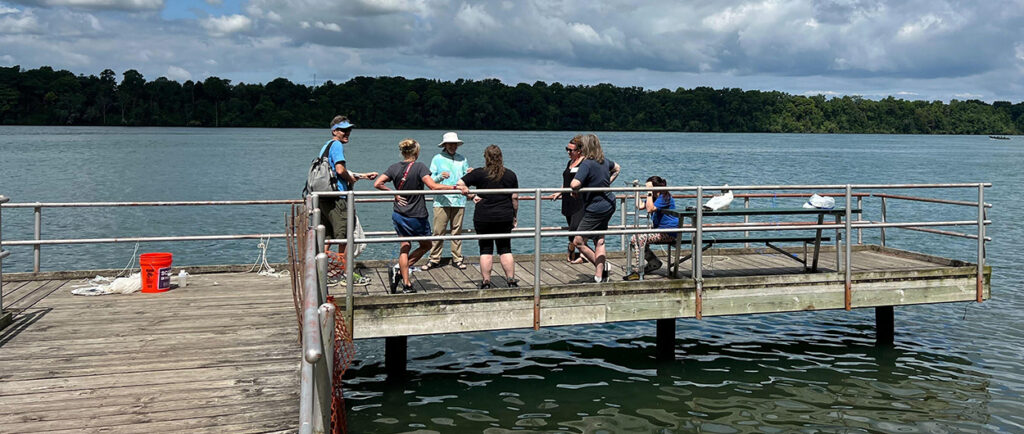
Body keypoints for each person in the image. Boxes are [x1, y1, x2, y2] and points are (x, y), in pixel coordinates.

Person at [374, 139, 461, 294]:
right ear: (416, 152)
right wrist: (455, 187)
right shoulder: (420, 167)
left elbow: (378, 183)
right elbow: (433, 186)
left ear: (402, 152)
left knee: (405, 246)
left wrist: (393, 193)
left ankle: (406, 282)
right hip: (417, 214)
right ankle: (402, 271)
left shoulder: (394, 167)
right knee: (426, 245)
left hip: (399, 213)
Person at [317, 115, 377, 282]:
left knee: (327, 236)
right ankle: (343, 273)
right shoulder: (336, 145)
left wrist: (362, 176)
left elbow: (334, 172)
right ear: (334, 131)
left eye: (349, 129)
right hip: (338, 198)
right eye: (343, 130)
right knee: (344, 237)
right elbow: (340, 170)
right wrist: (351, 180)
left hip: (325, 197)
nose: (347, 133)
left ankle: (322, 271)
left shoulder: (326, 147)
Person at [457, 145, 519, 289]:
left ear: (486, 158)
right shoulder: (510, 174)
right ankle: (510, 280)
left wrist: (470, 194)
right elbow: (515, 198)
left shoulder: (479, 173)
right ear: (501, 157)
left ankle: (486, 282)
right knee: (505, 248)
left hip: (483, 215)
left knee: (485, 249)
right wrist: (514, 215)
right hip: (504, 215)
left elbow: (460, 184)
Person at [569, 134, 621, 283]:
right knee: (599, 240)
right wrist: (607, 183)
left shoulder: (586, 164)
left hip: (596, 207)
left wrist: (578, 188)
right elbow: (618, 168)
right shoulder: (604, 161)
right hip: (609, 202)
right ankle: (599, 276)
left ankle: (603, 266)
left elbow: (574, 184)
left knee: (578, 241)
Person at [423, 132, 472, 271]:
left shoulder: (462, 159)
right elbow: (431, 180)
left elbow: (466, 179)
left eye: (455, 144)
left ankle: (457, 258)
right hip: (441, 200)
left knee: (457, 231)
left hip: (459, 200)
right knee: (439, 231)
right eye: (450, 144)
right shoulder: (437, 159)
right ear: (444, 145)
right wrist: (440, 176)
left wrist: (470, 173)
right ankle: (434, 259)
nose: (453, 146)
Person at [622, 176, 679, 281]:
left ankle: (639, 271)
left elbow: (650, 209)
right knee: (637, 238)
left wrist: (648, 192)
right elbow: (640, 206)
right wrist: (637, 191)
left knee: (638, 238)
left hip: (668, 232)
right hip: (660, 231)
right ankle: (653, 262)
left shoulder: (664, 197)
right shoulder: (654, 197)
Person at [548, 135, 588, 264]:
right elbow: (566, 181)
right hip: (567, 200)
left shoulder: (584, 163)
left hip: (579, 200)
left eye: (571, 150)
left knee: (575, 228)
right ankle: (574, 251)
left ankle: (579, 253)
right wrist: (559, 192)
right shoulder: (570, 163)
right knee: (572, 229)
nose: (568, 153)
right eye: (567, 149)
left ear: (579, 151)